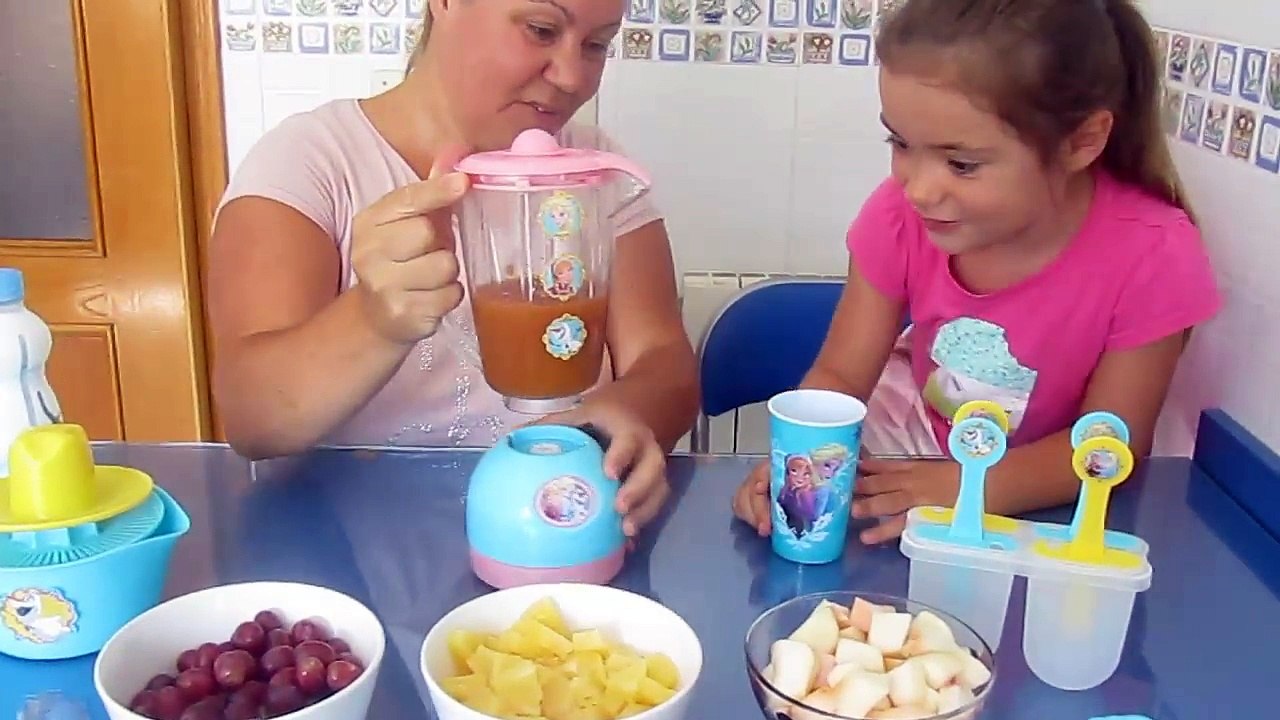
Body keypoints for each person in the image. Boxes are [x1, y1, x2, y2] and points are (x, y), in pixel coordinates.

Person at [733, 0, 1220, 545]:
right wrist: (796, 466)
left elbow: (1111, 446)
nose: (917, 189)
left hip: (1056, 501)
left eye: (961, 164)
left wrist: (964, 487)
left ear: (1082, 141)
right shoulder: (898, 215)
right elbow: (842, 378)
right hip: (916, 443)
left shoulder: (1154, 254)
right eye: (900, 143)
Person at [207, 0, 698, 539]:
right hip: (362, 554)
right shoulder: (312, 163)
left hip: (563, 531)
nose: (573, 76)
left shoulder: (594, 172)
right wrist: (374, 321)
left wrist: (625, 412)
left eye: (597, 44)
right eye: (541, 30)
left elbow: (663, 362)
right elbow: (252, 418)